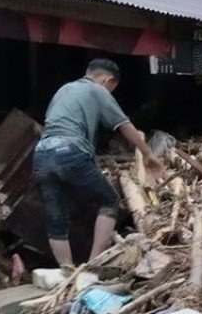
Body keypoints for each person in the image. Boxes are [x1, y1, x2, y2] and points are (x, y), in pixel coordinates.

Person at [34, 59, 164, 266]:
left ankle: (67, 272)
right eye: (112, 89)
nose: (110, 93)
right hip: (69, 152)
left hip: (41, 154)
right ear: (107, 80)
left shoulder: (64, 89)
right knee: (109, 201)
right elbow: (124, 125)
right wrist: (148, 154)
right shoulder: (98, 90)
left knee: (56, 218)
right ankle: (94, 265)